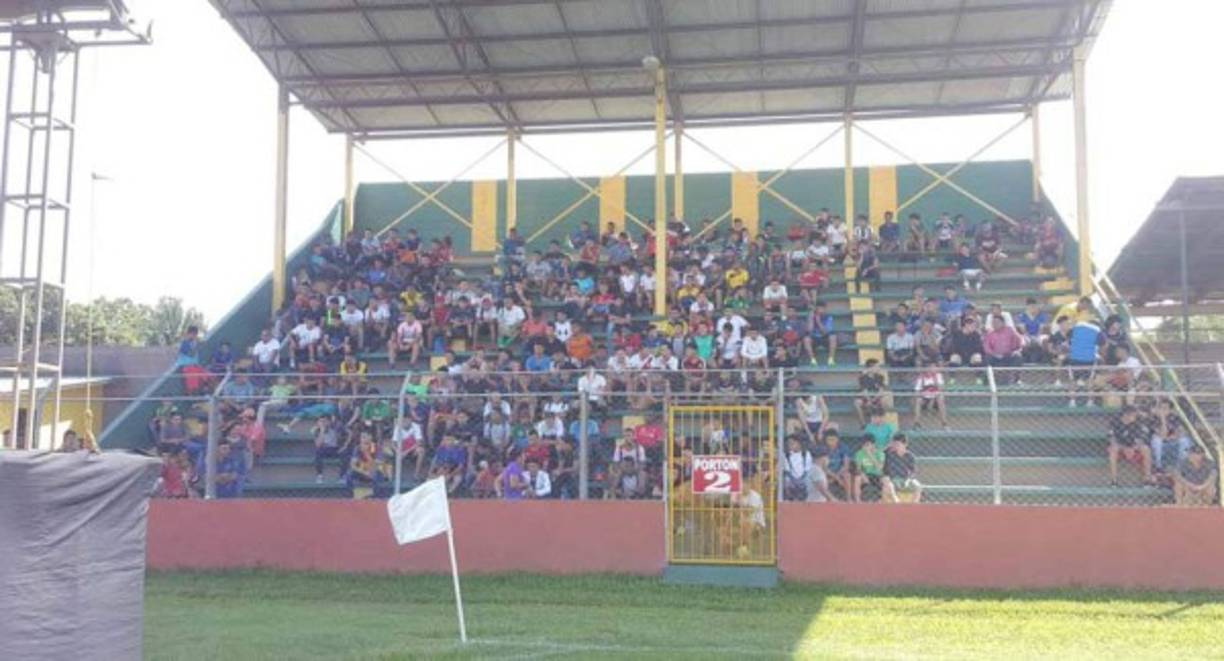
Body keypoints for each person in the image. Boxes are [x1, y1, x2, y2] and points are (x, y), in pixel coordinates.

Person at [1107, 405, 1152, 486]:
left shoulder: (1138, 422)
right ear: (1126, 415)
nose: (1135, 417)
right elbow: (1112, 439)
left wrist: (1134, 448)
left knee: (1146, 449)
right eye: (1133, 415)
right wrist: (1124, 448)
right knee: (1113, 449)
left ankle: (1147, 480)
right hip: (1120, 448)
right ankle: (1114, 480)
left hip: (1134, 448)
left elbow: (1142, 439)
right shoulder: (1115, 422)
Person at [1148, 399, 1192, 475]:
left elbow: (1182, 432)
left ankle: (1182, 466)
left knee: (1185, 440)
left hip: (1173, 440)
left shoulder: (1174, 418)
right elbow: (1162, 435)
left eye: (1165, 408)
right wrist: (1163, 419)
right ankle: (1159, 467)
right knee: (1157, 441)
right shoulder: (1153, 419)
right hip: (1160, 441)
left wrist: (1174, 437)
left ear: (1170, 410)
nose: (1162, 410)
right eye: (1160, 408)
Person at [983, 315, 1024, 383]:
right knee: (987, 358)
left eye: (997, 322)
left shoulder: (1010, 330)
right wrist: (994, 354)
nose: (994, 324)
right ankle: (988, 379)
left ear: (1003, 323)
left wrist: (1017, 350)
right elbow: (986, 347)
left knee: (1018, 356)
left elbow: (1020, 341)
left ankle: (1015, 379)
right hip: (995, 356)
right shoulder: (990, 333)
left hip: (1008, 355)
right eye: (993, 322)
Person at [883, 434, 922, 503]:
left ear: (905, 444)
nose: (895, 446)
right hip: (893, 479)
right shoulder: (889, 454)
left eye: (898, 444)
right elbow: (879, 453)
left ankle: (913, 506)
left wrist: (909, 479)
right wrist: (889, 446)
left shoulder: (910, 456)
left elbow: (913, 471)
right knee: (887, 483)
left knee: (918, 486)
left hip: (905, 479)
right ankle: (897, 502)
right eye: (894, 444)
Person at [912, 364, 949, 429]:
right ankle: (916, 423)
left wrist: (935, 381)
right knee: (918, 400)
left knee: (940, 398)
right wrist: (922, 395)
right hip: (925, 398)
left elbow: (941, 388)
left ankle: (944, 423)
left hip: (935, 398)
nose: (934, 369)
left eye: (934, 367)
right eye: (932, 367)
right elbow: (917, 391)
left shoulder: (938, 375)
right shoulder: (921, 377)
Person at [852, 435, 887, 503]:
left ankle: (882, 501)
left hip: (877, 475)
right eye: (864, 444)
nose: (865, 447)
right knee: (857, 478)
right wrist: (862, 475)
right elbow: (858, 468)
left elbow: (879, 468)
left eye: (868, 444)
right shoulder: (859, 453)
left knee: (885, 480)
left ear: (873, 445)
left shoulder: (880, 453)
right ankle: (858, 501)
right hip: (865, 475)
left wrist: (869, 454)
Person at [804, 301, 838, 366]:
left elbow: (825, 332)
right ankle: (812, 360)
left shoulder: (828, 317)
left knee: (833, 337)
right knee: (806, 339)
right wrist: (811, 318)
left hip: (824, 337)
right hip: (814, 338)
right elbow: (809, 330)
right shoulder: (811, 316)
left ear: (825, 309)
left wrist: (818, 321)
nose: (820, 310)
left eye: (822, 308)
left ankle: (831, 360)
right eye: (818, 308)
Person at [782, 436, 813, 502]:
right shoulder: (786, 455)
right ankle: (790, 499)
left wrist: (801, 479)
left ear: (799, 444)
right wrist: (794, 479)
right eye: (788, 444)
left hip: (804, 477)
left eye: (792, 443)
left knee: (808, 480)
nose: (790, 446)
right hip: (791, 478)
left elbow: (807, 469)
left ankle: (807, 499)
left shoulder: (806, 454)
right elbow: (787, 471)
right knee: (786, 480)